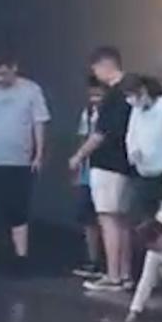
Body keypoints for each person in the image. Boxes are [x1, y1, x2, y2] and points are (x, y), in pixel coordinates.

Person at [0, 49, 51, 269]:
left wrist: (39, 154)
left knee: (19, 210)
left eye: (4, 74)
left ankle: (21, 257)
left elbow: (38, 123)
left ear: (14, 68)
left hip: (19, 161)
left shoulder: (31, 91)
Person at [69, 46, 135, 292]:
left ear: (105, 66)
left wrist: (78, 156)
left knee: (108, 219)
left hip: (107, 164)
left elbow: (100, 134)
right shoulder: (131, 91)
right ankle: (126, 274)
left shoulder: (113, 96)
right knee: (124, 220)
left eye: (95, 69)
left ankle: (113, 275)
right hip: (126, 164)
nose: (95, 74)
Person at [124, 73, 162, 222]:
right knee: (141, 219)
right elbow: (131, 134)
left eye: (132, 95)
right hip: (143, 171)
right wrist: (133, 151)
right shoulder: (137, 109)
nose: (130, 101)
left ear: (143, 91)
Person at [72, 75, 106, 278]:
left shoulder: (112, 113)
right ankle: (93, 260)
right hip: (87, 173)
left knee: (108, 219)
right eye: (92, 94)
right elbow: (82, 139)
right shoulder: (88, 112)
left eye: (99, 94)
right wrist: (78, 168)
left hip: (106, 170)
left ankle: (109, 263)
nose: (95, 98)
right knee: (88, 218)